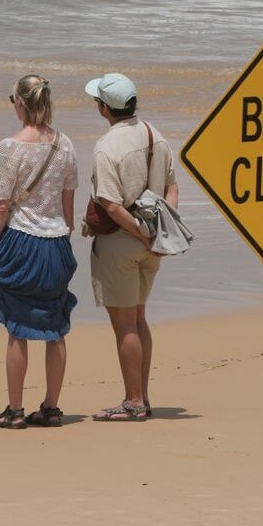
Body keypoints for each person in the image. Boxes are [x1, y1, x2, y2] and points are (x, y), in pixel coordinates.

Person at [0, 74, 79, 429]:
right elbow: (68, 198)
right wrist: (65, 234)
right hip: (56, 243)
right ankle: (52, 408)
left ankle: (15, 410)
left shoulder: (11, 146)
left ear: (20, 103)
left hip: (22, 242)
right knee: (56, 328)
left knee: (17, 327)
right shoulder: (65, 144)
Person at [83, 72, 178, 422]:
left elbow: (110, 205)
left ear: (105, 109)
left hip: (123, 243)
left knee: (125, 326)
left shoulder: (107, 147)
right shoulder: (156, 135)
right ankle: (143, 396)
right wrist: (159, 233)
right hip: (151, 244)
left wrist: (141, 234)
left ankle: (134, 401)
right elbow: (171, 187)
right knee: (139, 320)